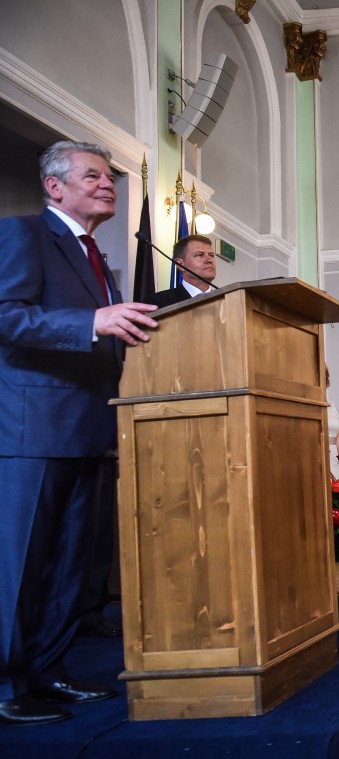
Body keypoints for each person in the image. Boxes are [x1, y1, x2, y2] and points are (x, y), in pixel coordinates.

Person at [0, 141, 159, 725]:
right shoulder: (23, 235)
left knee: (73, 565)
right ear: (54, 186)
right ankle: (5, 684)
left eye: (110, 177)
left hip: (93, 428)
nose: (106, 184)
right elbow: (4, 314)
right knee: (20, 566)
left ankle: (48, 669)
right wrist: (90, 321)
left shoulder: (99, 260)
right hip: (33, 434)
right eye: (92, 175)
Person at [148, 234, 217, 307]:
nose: (209, 260)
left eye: (211, 255)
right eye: (200, 255)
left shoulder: (226, 301)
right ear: (180, 264)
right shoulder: (157, 302)